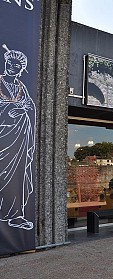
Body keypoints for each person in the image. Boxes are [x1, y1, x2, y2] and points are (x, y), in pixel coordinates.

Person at [0, 44, 35, 230]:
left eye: (16, 65)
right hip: (3, 138)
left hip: (20, 139)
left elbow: (30, 108)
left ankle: (15, 215)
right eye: (9, 63)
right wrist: (8, 111)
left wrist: (25, 111)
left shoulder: (22, 88)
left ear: (21, 69)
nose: (11, 67)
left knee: (17, 176)